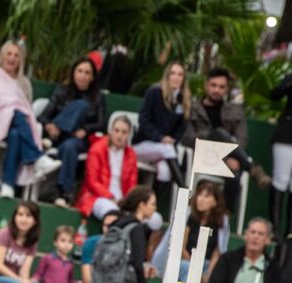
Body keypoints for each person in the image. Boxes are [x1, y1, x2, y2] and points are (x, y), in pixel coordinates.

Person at [0, 41, 60, 199]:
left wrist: (11, 107)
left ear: (21, 60)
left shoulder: (24, 83)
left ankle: (7, 185)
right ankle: (37, 158)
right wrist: (7, 106)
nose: (12, 58)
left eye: (16, 55)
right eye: (9, 53)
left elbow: (27, 109)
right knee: (15, 111)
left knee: (16, 133)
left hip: (13, 125)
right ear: (2, 55)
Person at [183, 67, 270, 212]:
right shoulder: (193, 108)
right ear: (206, 85)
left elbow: (242, 138)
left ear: (226, 89)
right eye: (213, 85)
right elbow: (188, 137)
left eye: (221, 87)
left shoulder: (235, 111)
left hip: (230, 160)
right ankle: (251, 167)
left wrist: (228, 156)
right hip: (203, 156)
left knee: (234, 175)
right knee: (219, 132)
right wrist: (217, 149)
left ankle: (225, 216)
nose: (217, 90)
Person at [37, 57, 106, 206]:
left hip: (78, 140)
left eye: (87, 73)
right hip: (59, 138)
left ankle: (62, 193)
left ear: (92, 77)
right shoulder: (62, 91)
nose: (82, 75)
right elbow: (43, 116)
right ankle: (63, 194)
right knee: (68, 146)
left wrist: (85, 130)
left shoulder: (97, 97)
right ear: (73, 73)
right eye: (79, 71)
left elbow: (101, 123)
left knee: (71, 144)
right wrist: (49, 125)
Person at [132, 61, 191, 191]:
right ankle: (184, 189)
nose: (176, 77)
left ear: (183, 79)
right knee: (167, 148)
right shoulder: (154, 92)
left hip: (164, 150)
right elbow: (144, 121)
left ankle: (151, 205)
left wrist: (172, 139)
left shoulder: (183, 99)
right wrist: (160, 138)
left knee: (165, 172)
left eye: (180, 74)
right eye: (173, 73)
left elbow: (181, 129)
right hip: (142, 145)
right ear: (167, 75)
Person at [75, 115, 138, 220]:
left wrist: (127, 201)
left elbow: (132, 184)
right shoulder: (97, 149)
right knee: (114, 213)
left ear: (128, 135)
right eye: (116, 130)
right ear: (110, 131)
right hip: (96, 197)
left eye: (124, 132)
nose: (119, 135)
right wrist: (110, 197)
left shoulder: (131, 154)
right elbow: (92, 181)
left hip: (122, 200)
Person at [105, 186, 158, 283]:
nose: (155, 208)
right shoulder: (137, 229)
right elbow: (137, 265)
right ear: (141, 205)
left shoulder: (118, 223)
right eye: (152, 204)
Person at [269, 73, 292, 240]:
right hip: (286, 134)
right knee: (280, 180)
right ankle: (275, 228)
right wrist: (286, 84)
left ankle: (290, 230)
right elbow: (274, 95)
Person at [78, 210, 119, 283]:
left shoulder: (125, 245)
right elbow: (87, 277)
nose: (108, 229)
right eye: (105, 225)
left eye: (112, 225)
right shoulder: (91, 242)